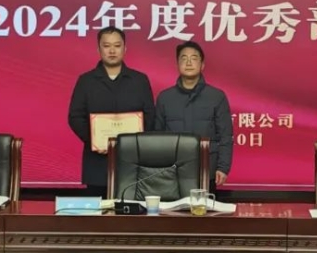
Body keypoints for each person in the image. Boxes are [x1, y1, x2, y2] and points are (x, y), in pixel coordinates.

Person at [67, 26, 155, 196]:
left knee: (131, 209)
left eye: (117, 45)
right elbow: (75, 117)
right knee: (99, 210)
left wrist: (135, 143)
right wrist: (94, 140)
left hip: (132, 161)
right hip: (97, 163)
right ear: (98, 49)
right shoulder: (86, 81)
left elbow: (150, 116)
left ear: (125, 48)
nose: (112, 51)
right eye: (107, 46)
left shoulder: (139, 80)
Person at [155, 40, 233, 188]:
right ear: (177, 64)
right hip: (172, 171)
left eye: (194, 58)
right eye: (184, 58)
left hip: (207, 169)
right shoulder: (164, 98)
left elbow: (225, 136)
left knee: (205, 204)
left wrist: (223, 167)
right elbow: (156, 136)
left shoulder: (216, 96)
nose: (189, 63)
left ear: (202, 65)